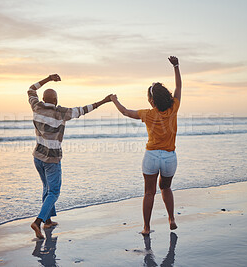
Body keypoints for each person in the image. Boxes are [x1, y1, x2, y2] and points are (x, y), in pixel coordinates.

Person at [28, 74, 112, 239]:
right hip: (52, 160)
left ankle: (48, 221)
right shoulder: (61, 112)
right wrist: (104, 100)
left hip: (37, 157)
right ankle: (38, 222)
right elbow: (84, 109)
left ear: (43, 98)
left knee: (46, 187)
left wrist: (48, 78)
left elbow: (31, 89)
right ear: (56, 100)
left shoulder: (36, 106)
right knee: (54, 192)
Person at [110, 56, 182, 235]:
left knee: (149, 193)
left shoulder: (147, 114)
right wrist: (176, 66)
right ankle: (171, 219)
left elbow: (126, 112)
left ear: (152, 101)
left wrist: (114, 100)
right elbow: (178, 87)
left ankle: (147, 227)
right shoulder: (174, 107)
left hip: (151, 156)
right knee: (166, 187)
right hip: (169, 157)